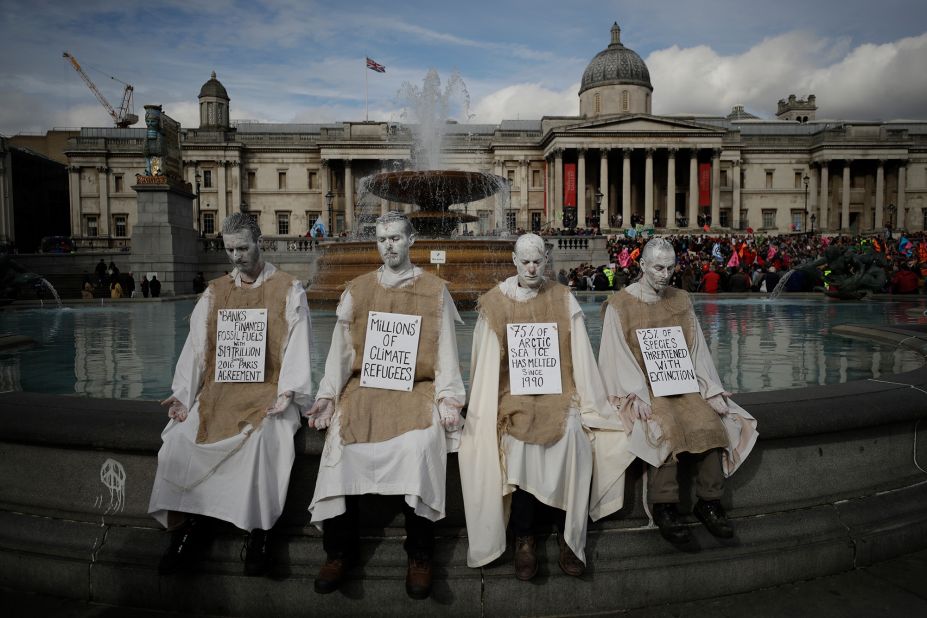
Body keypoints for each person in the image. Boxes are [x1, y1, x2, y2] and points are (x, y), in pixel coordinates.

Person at [304, 211, 465, 600]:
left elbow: (445, 349)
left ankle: (421, 552)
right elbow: (340, 353)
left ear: (411, 241)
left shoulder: (433, 289)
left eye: (395, 238)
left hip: (416, 388)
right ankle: (339, 551)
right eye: (381, 239)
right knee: (340, 444)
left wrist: (448, 397)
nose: (388, 245)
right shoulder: (357, 289)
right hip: (365, 389)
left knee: (422, 445)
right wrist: (327, 395)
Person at [148, 212, 313, 577]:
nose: (236, 256)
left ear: (260, 244)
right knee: (179, 440)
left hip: (269, 390)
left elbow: (298, 347)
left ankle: (260, 534)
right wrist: (182, 395)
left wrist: (288, 391)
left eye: (243, 247)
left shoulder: (289, 289)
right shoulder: (215, 292)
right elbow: (196, 349)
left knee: (265, 441)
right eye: (230, 249)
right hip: (221, 392)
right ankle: (188, 529)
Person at [459, 233, 632, 581]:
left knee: (574, 438)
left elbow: (580, 355)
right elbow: (488, 364)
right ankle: (524, 537)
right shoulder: (495, 302)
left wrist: (589, 401)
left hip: (558, 393)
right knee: (518, 443)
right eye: (525, 261)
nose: (532, 267)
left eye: (538, 260)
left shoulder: (563, 298)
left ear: (546, 261)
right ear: (514, 261)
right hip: (513, 395)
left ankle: (570, 537)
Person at [598, 238, 757, 548]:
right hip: (644, 387)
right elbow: (615, 355)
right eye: (658, 268)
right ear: (641, 265)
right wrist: (635, 393)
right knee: (663, 427)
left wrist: (709, 388)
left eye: (670, 268)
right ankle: (665, 506)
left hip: (681, 383)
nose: (664, 275)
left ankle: (709, 501)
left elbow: (696, 347)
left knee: (709, 423)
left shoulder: (682, 299)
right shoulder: (619, 304)